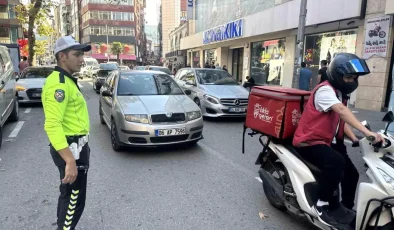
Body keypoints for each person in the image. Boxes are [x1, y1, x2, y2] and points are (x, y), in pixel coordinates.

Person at [292, 53, 384, 226]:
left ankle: (345, 208)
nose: (351, 81)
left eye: (354, 78)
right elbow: (341, 111)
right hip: (309, 141)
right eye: (348, 77)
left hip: (328, 141)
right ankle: (322, 204)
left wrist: (354, 138)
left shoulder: (340, 93)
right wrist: (366, 132)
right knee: (336, 163)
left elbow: (340, 120)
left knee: (352, 174)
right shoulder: (325, 90)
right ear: (337, 74)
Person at [42, 36, 91, 230]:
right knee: (73, 201)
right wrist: (70, 160)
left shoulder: (67, 80)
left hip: (76, 147)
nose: (81, 59)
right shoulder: (59, 84)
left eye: (82, 54)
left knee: (70, 196)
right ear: (62, 56)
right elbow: (52, 125)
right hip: (71, 150)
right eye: (77, 54)